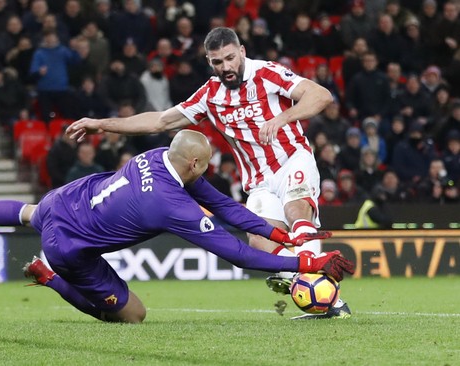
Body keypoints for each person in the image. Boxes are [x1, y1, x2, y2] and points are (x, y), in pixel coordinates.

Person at [0, 130, 353, 323]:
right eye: (205, 166)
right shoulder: (172, 207)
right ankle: (50, 277)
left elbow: (222, 204)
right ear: (193, 163)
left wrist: (279, 234)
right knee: (132, 315)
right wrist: (307, 261)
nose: (208, 171)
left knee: (26, 211)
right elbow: (236, 253)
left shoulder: (156, 157)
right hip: (69, 247)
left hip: (68, 199)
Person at [69, 27, 352, 319]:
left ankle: (329, 298)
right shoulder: (210, 95)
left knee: (296, 213)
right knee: (259, 241)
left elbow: (321, 95)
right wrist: (102, 124)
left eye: (230, 58)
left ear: (242, 51)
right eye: (218, 62)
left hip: (292, 159)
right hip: (259, 180)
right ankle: (310, 285)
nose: (226, 67)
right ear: (209, 62)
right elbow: (159, 121)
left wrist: (282, 118)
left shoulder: (268, 73)